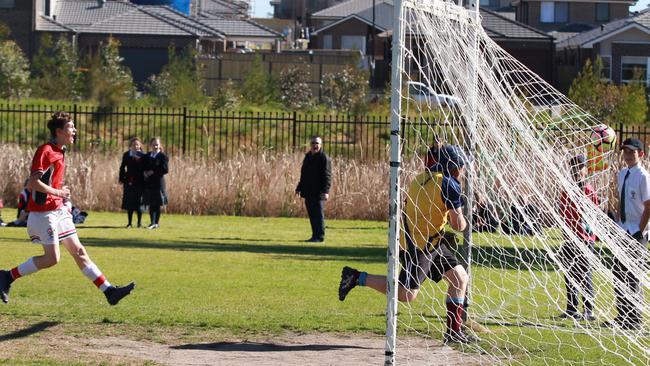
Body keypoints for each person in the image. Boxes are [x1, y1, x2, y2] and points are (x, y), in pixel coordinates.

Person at [338, 144, 478, 344]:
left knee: (459, 278)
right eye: (461, 166)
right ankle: (356, 277)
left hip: (431, 241)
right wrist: (464, 216)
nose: (463, 170)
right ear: (452, 166)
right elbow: (458, 225)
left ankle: (453, 333)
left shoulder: (421, 178)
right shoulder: (449, 184)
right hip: (418, 246)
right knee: (407, 294)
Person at [0, 111, 135, 305]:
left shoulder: (61, 150)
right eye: (71, 127)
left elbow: (49, 182)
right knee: (52, 258)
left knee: (79, 252)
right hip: (43, 213)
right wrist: (58, 192)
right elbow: (32, 183)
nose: (75, 130)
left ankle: (109, 291)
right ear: (59, 131)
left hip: (59, 211)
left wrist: (59, 194)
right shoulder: (46, 150)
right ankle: (6, 276)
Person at [606, 138, 650, 330]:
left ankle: (634, 319)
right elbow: (619, 200)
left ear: (641, 154)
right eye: (625, 152)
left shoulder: (643, 176)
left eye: (632, 152)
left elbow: (648, 206)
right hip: (622, 229)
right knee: (618, 272)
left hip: (636, 232)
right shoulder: (622, 173)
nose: (628, 156)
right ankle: (622, 315)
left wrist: (640, 230)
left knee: (632, 275)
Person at [557, 154, 598, 321]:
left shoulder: (588, 190)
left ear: (585, 170)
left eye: (579, 167)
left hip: (584, 238)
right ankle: (571, 308)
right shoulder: (566, 189)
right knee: (569, 273)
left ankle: (588, 309)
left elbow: (593, 214)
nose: (575, 170)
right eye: (572, 167)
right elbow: (563, 211)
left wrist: (585, 233)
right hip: (569, 237)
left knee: (584, 273)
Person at [295, 136, 331, 242]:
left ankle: (320, 237)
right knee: (312, 215)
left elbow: (327, 176)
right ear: (310, 145)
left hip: (318, 192)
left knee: (318, 215)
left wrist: (326, 191)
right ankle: (314, 235)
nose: (315, 145)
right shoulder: (308, 157)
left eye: (317, 143)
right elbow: (304, 174)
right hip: (308, 191)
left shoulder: (324, 158)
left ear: (321, 145)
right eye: (313, 143)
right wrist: (299, 188)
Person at [143, 137, 168, 229]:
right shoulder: (147, 156)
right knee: (150, 203)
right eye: (153, 144)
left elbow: (165, 169)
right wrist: (145, 172)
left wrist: (153, 172)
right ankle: (152, 222)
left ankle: (155, 223)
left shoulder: (162, 156)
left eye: (157, 144)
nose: (155, 146)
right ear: (150, 145)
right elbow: (143, 166)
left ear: (160, 145)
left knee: (156, 204)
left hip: (158, 183)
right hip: (149, 183)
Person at [119, 137, 145, 228]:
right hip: (129, 181)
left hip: (140, 182)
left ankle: (139, 223)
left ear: (140, 146)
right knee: (129, 203)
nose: (136, 146)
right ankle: (129, 223)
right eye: (134, 145)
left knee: (139, 203)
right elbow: (122, 167)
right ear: (131, 146)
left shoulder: (143, 155)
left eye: (137, 144)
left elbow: (145, 168)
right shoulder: (126, 155)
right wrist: (122, 179)